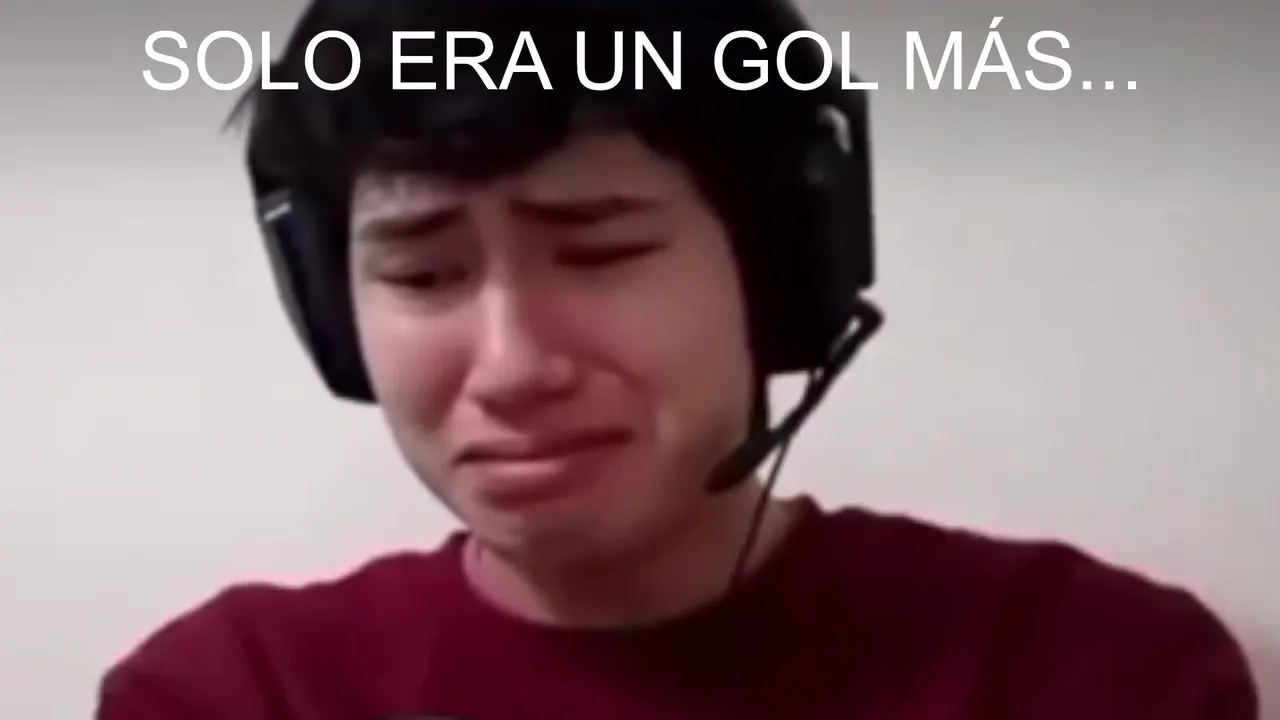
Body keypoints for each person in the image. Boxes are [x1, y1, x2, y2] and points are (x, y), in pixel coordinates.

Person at [98, 1, 1259, 718]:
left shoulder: (1084, 673)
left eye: (599, 252)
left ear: (778, 273)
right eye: (421, 273)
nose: (510, 366)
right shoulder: (232, 695)